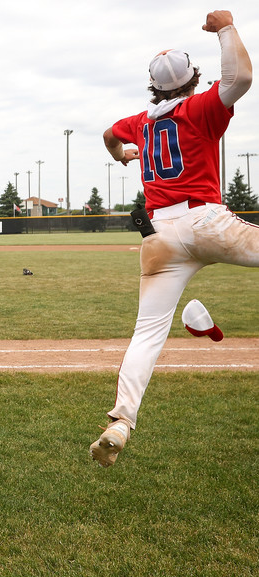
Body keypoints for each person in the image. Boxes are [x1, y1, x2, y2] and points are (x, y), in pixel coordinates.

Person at [90, 10, 255, 468]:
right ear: (191, 79)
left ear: (154, 86)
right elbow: (240, 76)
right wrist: (225, 26)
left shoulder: (142, 122)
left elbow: (108, 134)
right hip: (206, 221)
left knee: (146, 334)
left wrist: (123, 153)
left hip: (161, 235)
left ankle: (121, 421)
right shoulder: (198, 106)